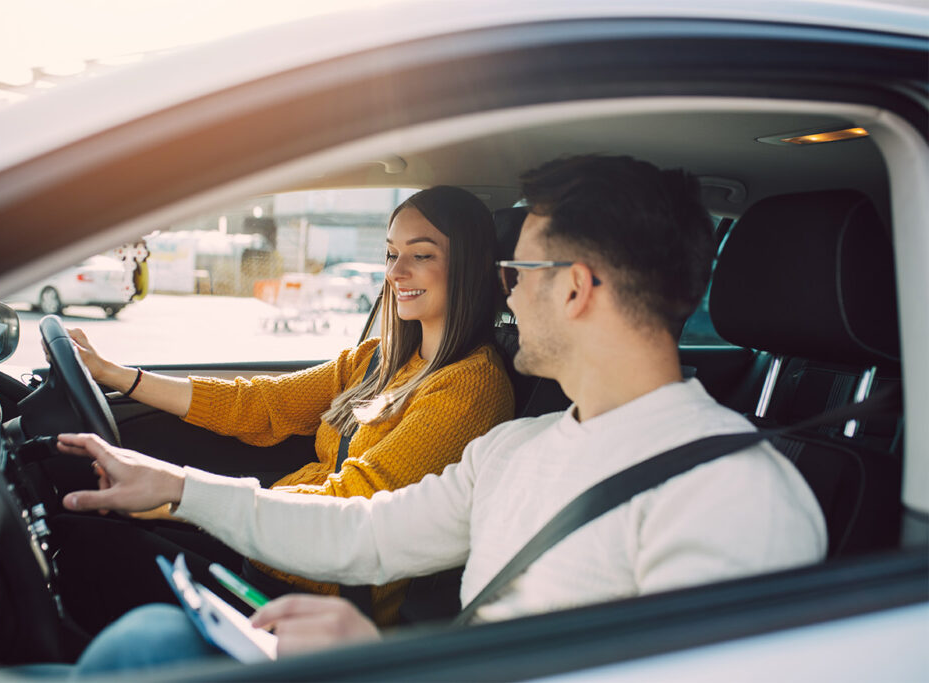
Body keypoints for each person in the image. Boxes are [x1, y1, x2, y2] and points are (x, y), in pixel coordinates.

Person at [59, 155, 827, 669]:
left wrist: (389, 660)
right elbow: (365, 530)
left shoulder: (737, 498)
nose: (506, 290)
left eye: (517, 270)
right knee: (150, 642)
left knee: (145, 647)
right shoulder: (516, 450)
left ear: (575, 286)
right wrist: (177, 487)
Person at [52, 185, 515, 631]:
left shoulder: (470, 387)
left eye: (421, 254)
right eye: (391, 253)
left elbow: (354, 510)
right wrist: (117, 375)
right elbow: (259, 405)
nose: (395, 272)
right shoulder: (375, 359)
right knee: (82, 533)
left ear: (468, 266)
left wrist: (180, 500)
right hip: (273, 555)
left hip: (324, 600)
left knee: (92, 551)